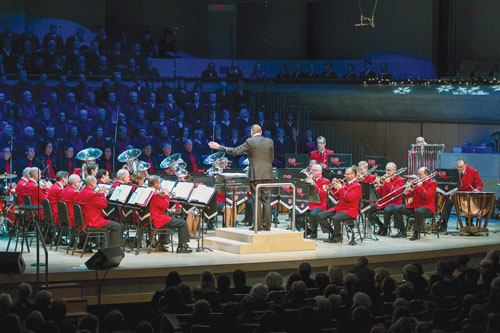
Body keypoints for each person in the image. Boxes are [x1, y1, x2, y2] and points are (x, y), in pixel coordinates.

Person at [209, 124, 274, 231]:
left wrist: (219, 147)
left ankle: (257, 226)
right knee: (266, 200)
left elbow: (235, 151)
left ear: (252, 132)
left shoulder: (250, 141)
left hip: (256, 174)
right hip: (268, 173)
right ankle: (267, 226)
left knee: (256, 200)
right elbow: (271, 158)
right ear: (261, 131)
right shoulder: (270, 141)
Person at [147, 175, 192, 253]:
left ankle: (161, 243)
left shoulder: (150, 191)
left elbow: (158, 204)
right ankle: (181, 247)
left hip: (153, 218)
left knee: (170, 220)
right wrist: (167, 196)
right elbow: (165, 206)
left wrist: (162, 197)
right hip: (157, 219)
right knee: (183, 223)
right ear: (155, 184)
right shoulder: (154, 194)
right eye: (159, 183)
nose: (160, 185)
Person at [317, 167, 362, 243]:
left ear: (354, 174)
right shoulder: (345, 184)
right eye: (345, 174)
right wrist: (334, 187)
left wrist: (340, 188)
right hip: (340, 208)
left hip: (350, 210)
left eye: (348, 174)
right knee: (320, 216)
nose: (345, 176)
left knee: (335, 218)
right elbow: (336, 196)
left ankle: (336, 236)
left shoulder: (357, 186)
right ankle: (335, 234)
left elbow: (349, 198)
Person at [393, 167, 437, 241]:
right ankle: (402, 231)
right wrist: (407, 193)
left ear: (426, 174)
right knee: (397, 209)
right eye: (418, 174)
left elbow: (427, 197)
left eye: (420, 174)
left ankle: (416, 232)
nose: (418, 176)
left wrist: (421, 187)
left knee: (419, 211)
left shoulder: (432, 183)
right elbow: (412, 194)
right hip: (415, 206)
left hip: (427, 207)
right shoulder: (418, 182)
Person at [78, 176, 122, 248]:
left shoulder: (82, 192)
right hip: (93, 221)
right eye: (96, 183)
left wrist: (98, 192)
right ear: (92, 184)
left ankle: (104, 246)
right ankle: (112, 248)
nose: (97, 185)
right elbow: (104, 205)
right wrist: (102, 193)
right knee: (117, 226)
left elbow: (91, 198)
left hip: (85, 220)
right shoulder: (91, 195)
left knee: (112, 223)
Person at [441, 158, 483, 231]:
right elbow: (449, 182)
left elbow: (479, 183)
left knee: (469, 205)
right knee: (447, 203)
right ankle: (443, 225)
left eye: (461, 167)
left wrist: (477, 189)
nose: (459, 169)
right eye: (458, 167)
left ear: (465, 165)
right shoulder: (453, 170)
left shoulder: (472, 171)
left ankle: (469, 224)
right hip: (456, 196)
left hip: (467, 197)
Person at [304, 164, 330, 239]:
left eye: (316, 170)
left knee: (313, 214)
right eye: (312, 170)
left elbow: (322, 194)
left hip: (320, 204)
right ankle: (308, 230)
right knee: (296, 212)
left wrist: (313, 184)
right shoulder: (308, 179)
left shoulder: (326, 181)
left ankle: (314, 233)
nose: (313, 172)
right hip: (309, 203)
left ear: (321, 171)